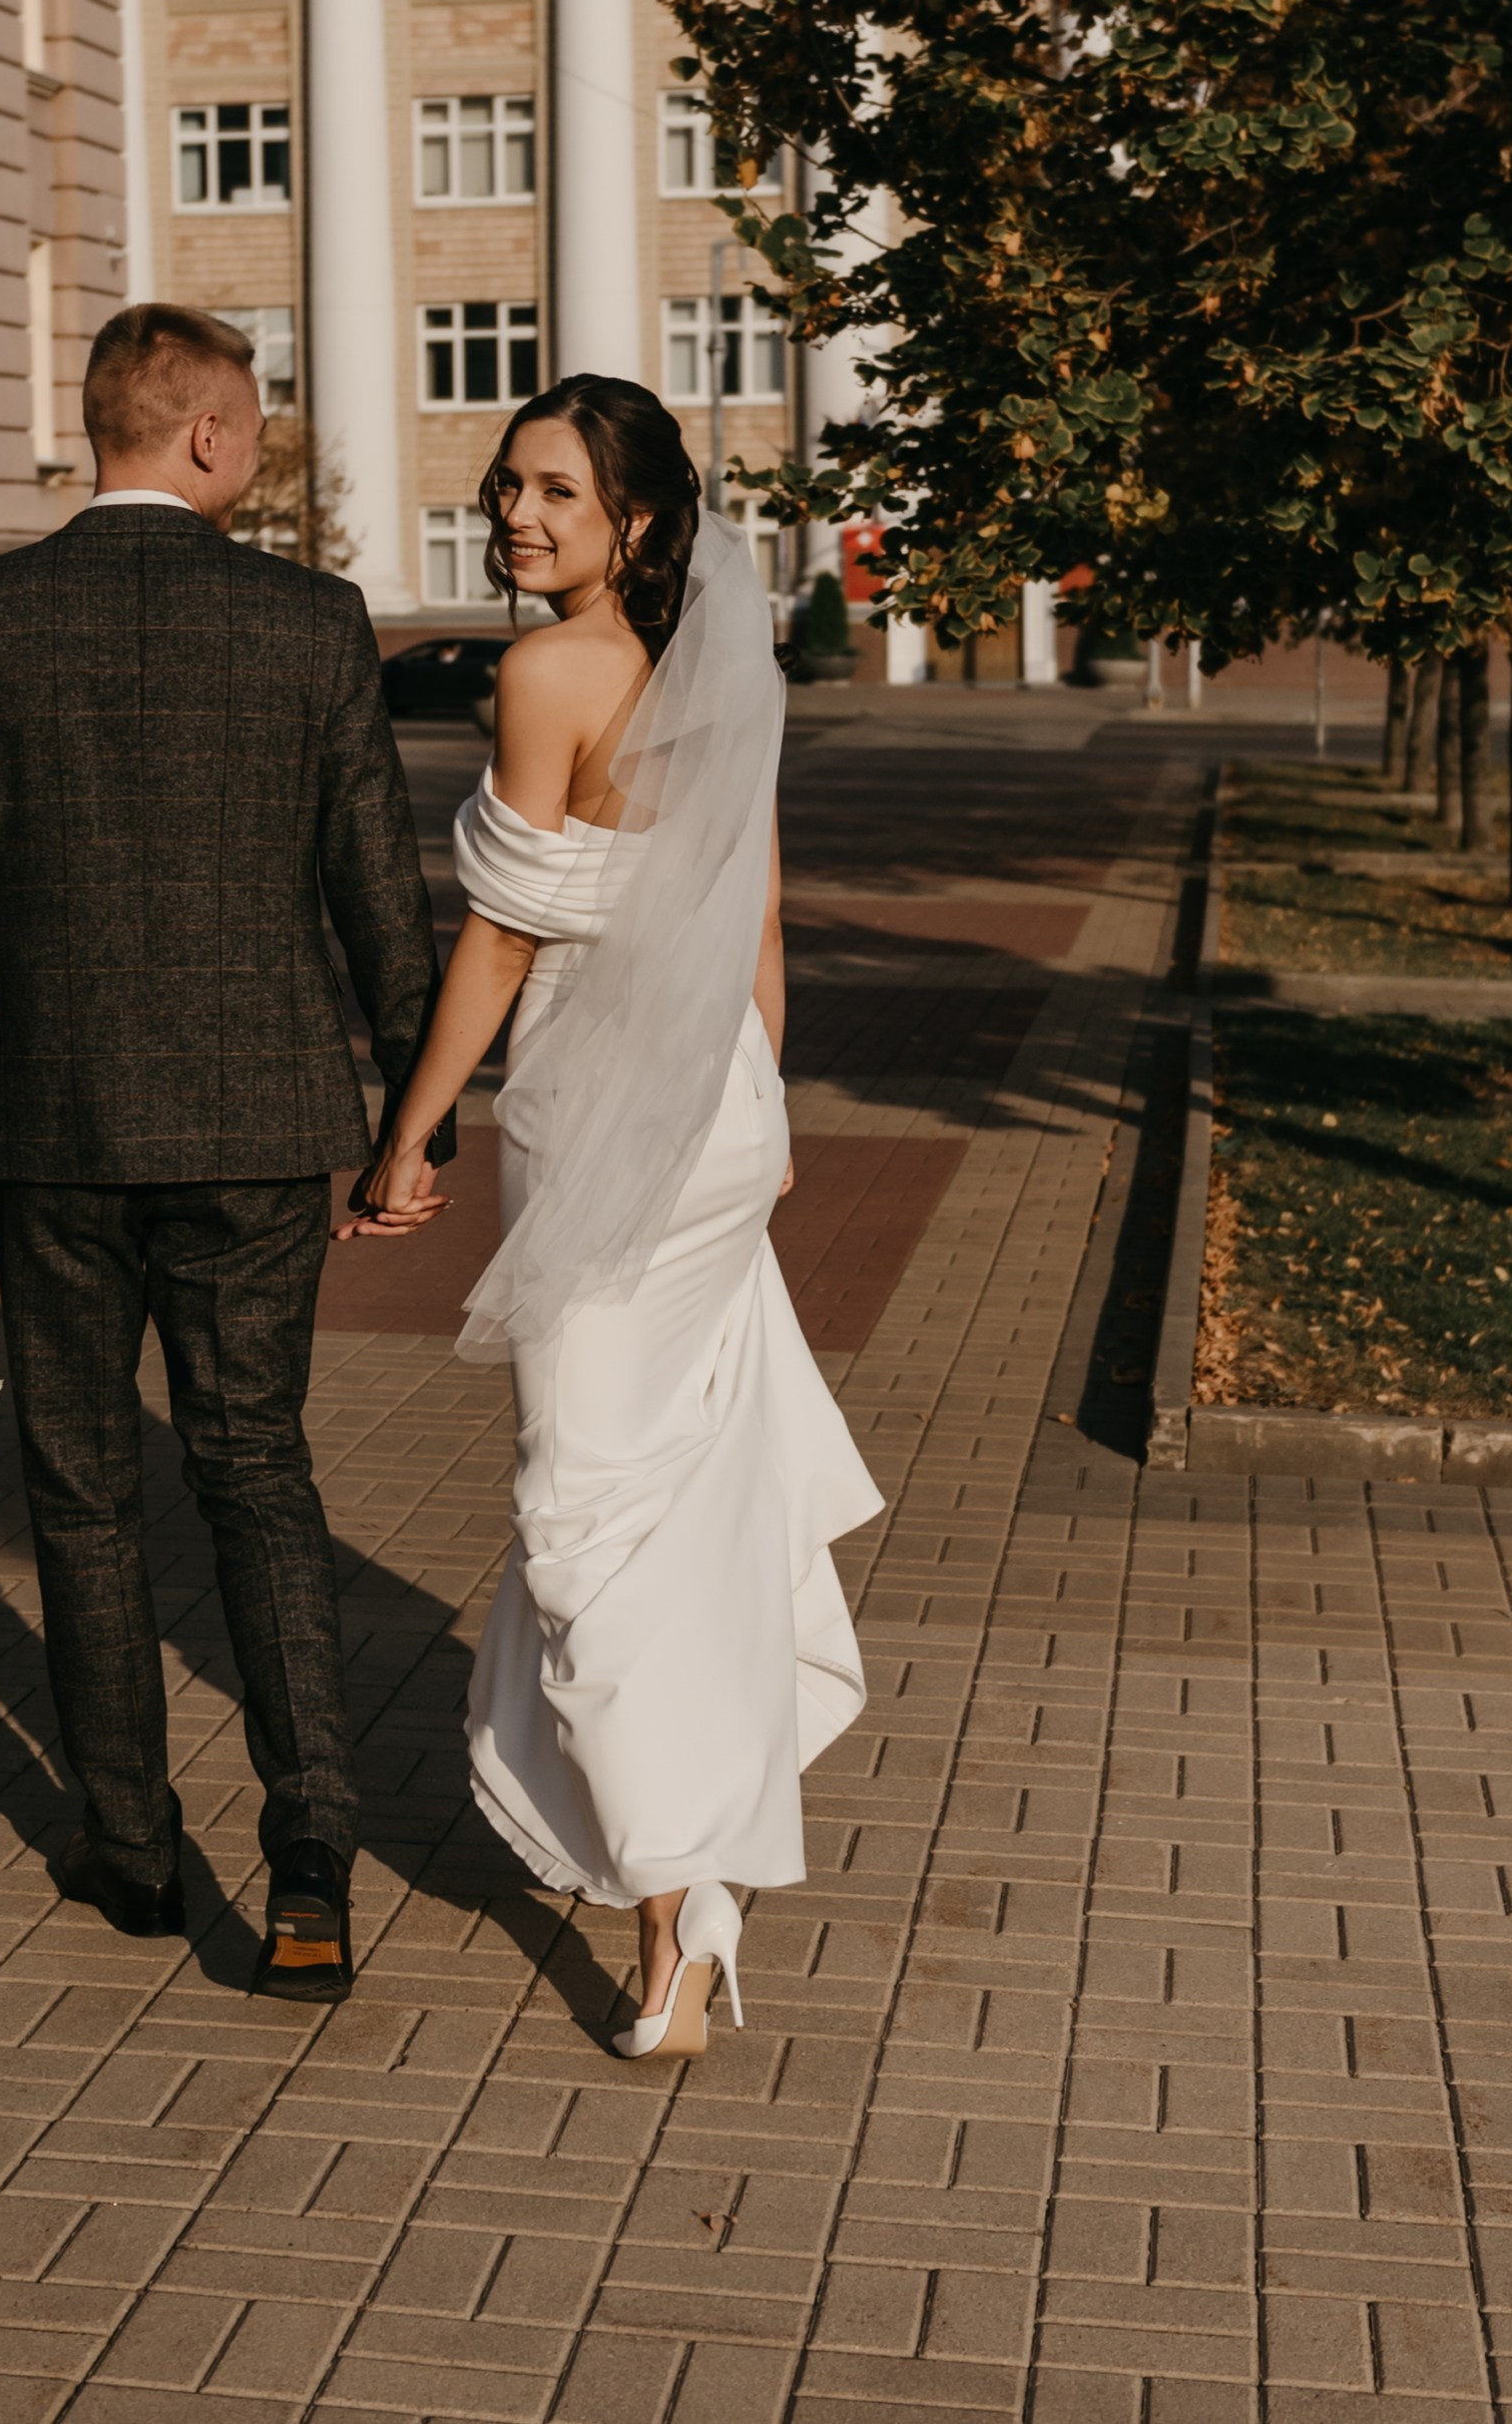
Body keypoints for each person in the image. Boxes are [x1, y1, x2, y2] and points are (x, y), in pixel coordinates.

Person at [0, 300, 448, 2001]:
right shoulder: (312, 621)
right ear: (199, 434)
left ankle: (128, 1845)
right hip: (265, 1127)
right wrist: (411, 1126)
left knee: (85, 1494)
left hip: (47, 1133)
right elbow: (376, 898)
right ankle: (314, 1850)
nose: (254, 449)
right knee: (256, 1471)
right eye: (251, 422)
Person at [342, 374, 883, 2059]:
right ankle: (692, 1851)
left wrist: (406, 1135)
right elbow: (762, 916)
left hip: (608, 1125)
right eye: (509, 487)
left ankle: (677, 1907)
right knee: (668, 1487)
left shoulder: (549, 669)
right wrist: (769, 1110)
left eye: (557, 495)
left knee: (584, 1512)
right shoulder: (723, 683)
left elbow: (500, 945)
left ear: (636, 525)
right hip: (722, 1108)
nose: (517, 516)